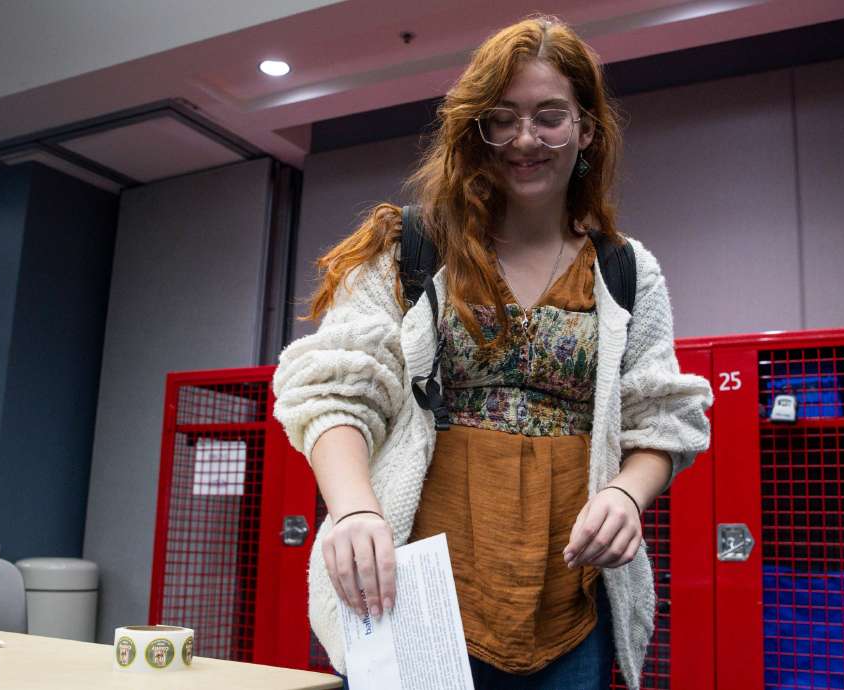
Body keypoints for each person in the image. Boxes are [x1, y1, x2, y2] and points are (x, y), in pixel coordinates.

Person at [273, 15, 712, 690]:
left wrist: (627, 493)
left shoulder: (627, 271)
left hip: (573, 609)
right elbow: (334, 388)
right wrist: (356, 508)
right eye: (501, 119)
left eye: (549, 116)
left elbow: (663, 417)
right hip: (413, 597)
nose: (524, 139)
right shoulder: (410, 250)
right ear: (476, 130)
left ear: (587, 130)